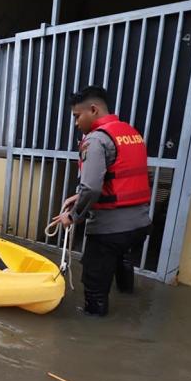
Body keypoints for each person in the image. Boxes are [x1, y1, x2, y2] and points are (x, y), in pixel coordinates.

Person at [50, 86, 151, 316]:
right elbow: (122, 177)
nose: (76, 123)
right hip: (141, 225)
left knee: (94, 287)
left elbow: (91, 187)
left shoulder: (96, 140)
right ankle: (129, 297)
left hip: (109, 230)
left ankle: (93, 334)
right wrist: (79, 196)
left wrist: (72, 216)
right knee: (123, 261)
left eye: (77, 116)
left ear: (93, 110)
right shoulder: (131, 133)